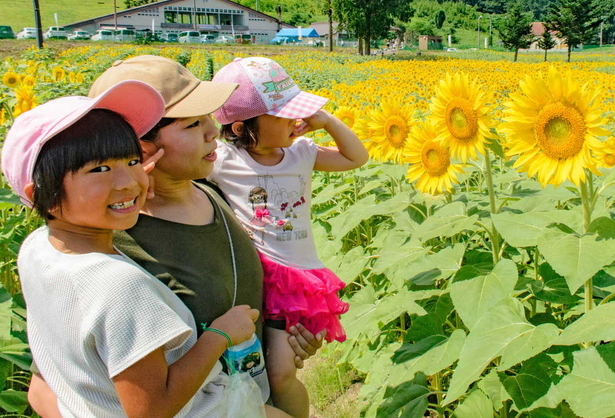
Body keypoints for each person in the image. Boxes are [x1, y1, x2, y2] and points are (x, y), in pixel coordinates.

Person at [26, 56, 323, 418]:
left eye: (210, 118)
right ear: (140, 147)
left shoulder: (215, 190)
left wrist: (286, 337)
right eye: (192, 124)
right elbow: (49, 385)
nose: (213, 131)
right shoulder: (107, 244)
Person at [1, 81, 262, 417]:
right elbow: (150, 410)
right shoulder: (121, 287)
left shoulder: (37, 248)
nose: (128, 181)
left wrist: (117, 194)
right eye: (99, 169)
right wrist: (219, 336)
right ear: (41, 195)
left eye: (131, 160)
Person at [208, 57, 369, 418]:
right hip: (251, 273)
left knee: (281, 373)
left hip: (293, 278)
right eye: (283, 116)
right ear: (239, 127)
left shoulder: (301, 152)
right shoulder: (224, 159)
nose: (297, 121)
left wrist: (325, 121)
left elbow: (356, 158)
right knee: (250, 366)